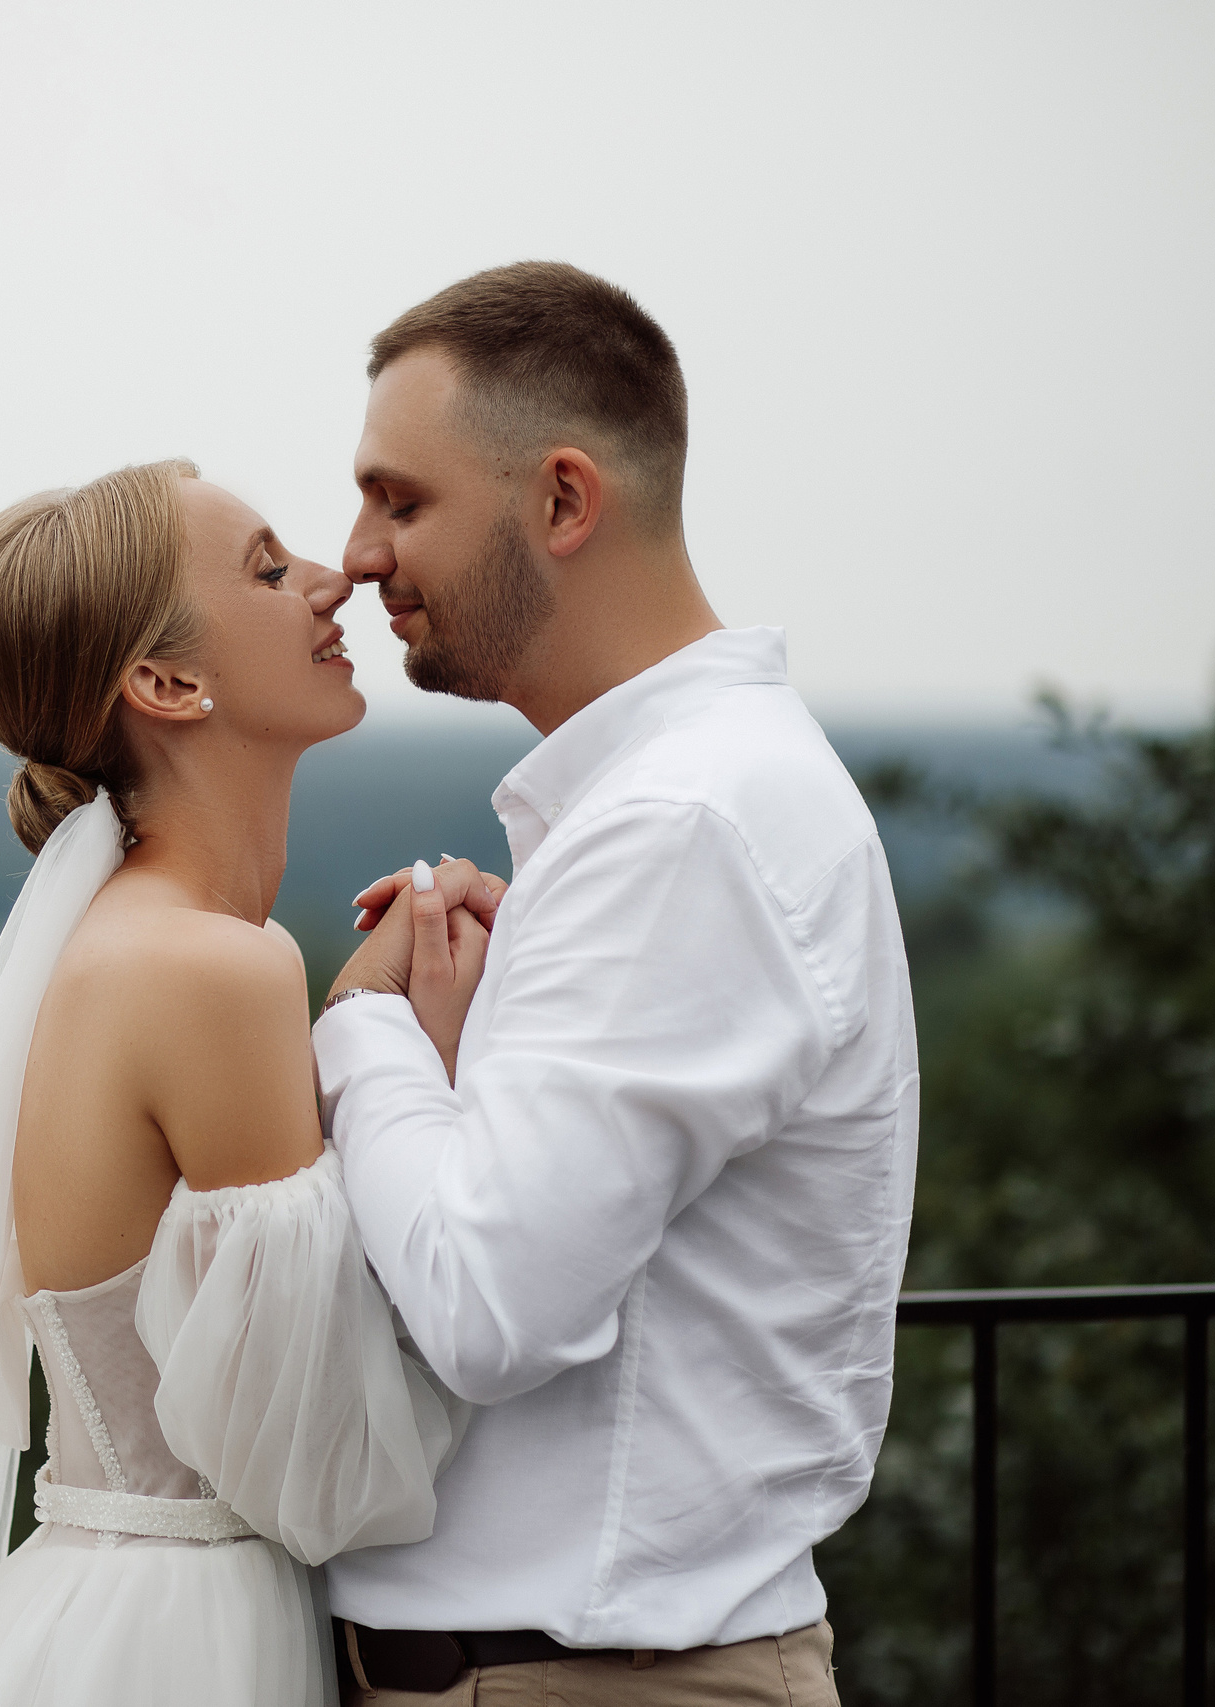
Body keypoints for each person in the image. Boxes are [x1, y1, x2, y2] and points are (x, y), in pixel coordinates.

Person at [0, 460, 473, 1707]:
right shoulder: (211, 968)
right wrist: (401, 1048)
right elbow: (324, 1468)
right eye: (265, 565)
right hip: (182, 1646)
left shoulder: (141, 943)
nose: (331, 578)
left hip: (109, 1610)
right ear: (167, 684)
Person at [318, 263, 918, 1704]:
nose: (354, 552)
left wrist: (364, 1027)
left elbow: (488, 1301)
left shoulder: (682, 823)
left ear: (565, 501)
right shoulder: (673, 808)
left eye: (402, 500)